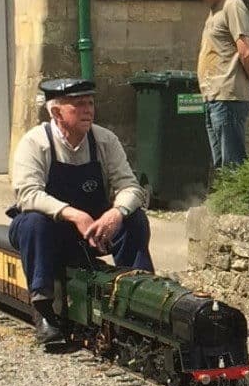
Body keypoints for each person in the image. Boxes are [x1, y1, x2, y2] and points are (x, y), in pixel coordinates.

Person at [9, 77, 153, 345]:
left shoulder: (105, 140)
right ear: (56, 112)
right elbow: (27, 194)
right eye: (78, 104)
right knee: (33, 222)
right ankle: (44, 311)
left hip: (95, 232)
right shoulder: (35, 142)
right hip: (53, 233)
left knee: (134, 218)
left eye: (90, 103)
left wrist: (117, 212)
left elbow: (130, 186)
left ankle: (140, 295)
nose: (88, 110)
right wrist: (72, 214)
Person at [189, 0, 249, 170]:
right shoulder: (215, 10)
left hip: (228, 95)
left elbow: (246, 51)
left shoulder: (233, 5)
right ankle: (225, 202)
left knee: (233, 162)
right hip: (214, 95)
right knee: (221, 163)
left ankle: (237, 202)